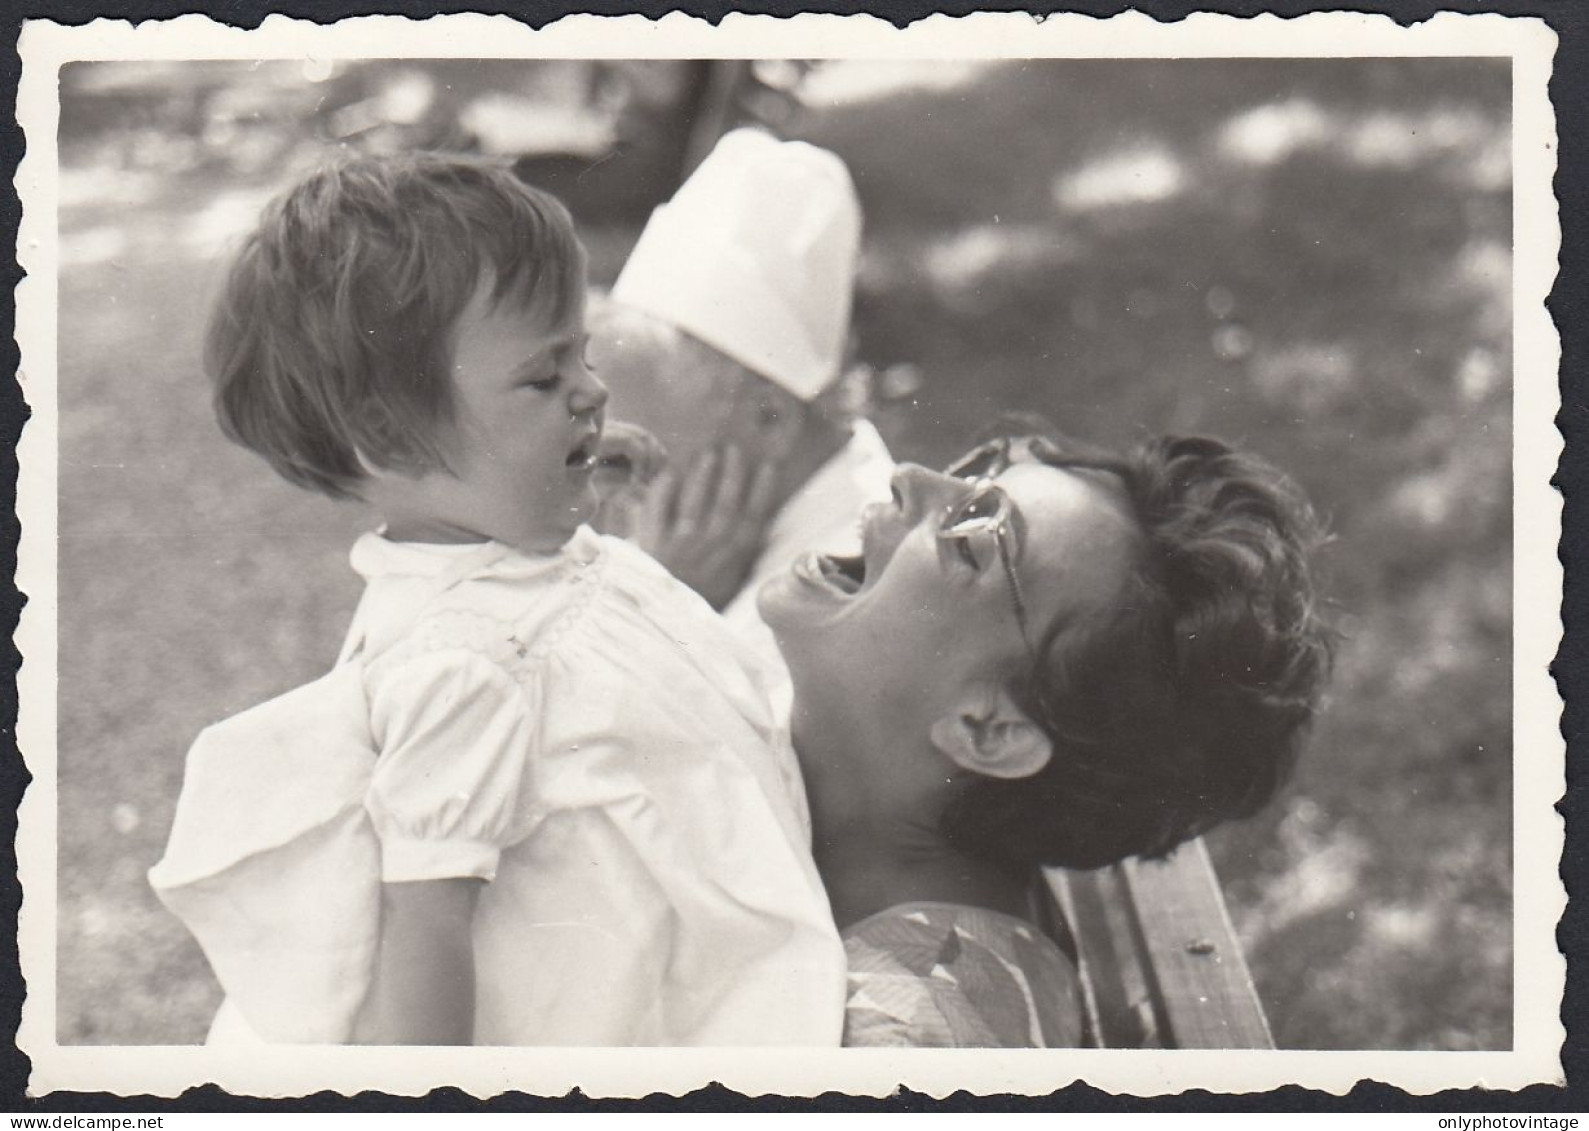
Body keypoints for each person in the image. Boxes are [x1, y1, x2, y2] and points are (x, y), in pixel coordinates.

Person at [149, 153, 845, 1046]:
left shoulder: (494, 533)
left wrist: (584, 452)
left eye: (581, 356)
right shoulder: (464, 670)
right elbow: (427, 929)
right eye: (543, 378)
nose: (591, 391)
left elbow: (514, 483)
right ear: (389, 437)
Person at [758, 428, 1333, 1047]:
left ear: (989, 731)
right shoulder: (886, 855)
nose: (910, 476)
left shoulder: (899, 1051)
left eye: (974, 538)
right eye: (978, 469)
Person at [590, 128, 895, 665]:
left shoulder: (849, 588)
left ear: (770, 418)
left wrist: (666, 608)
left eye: (626, 462)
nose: (597, 497)